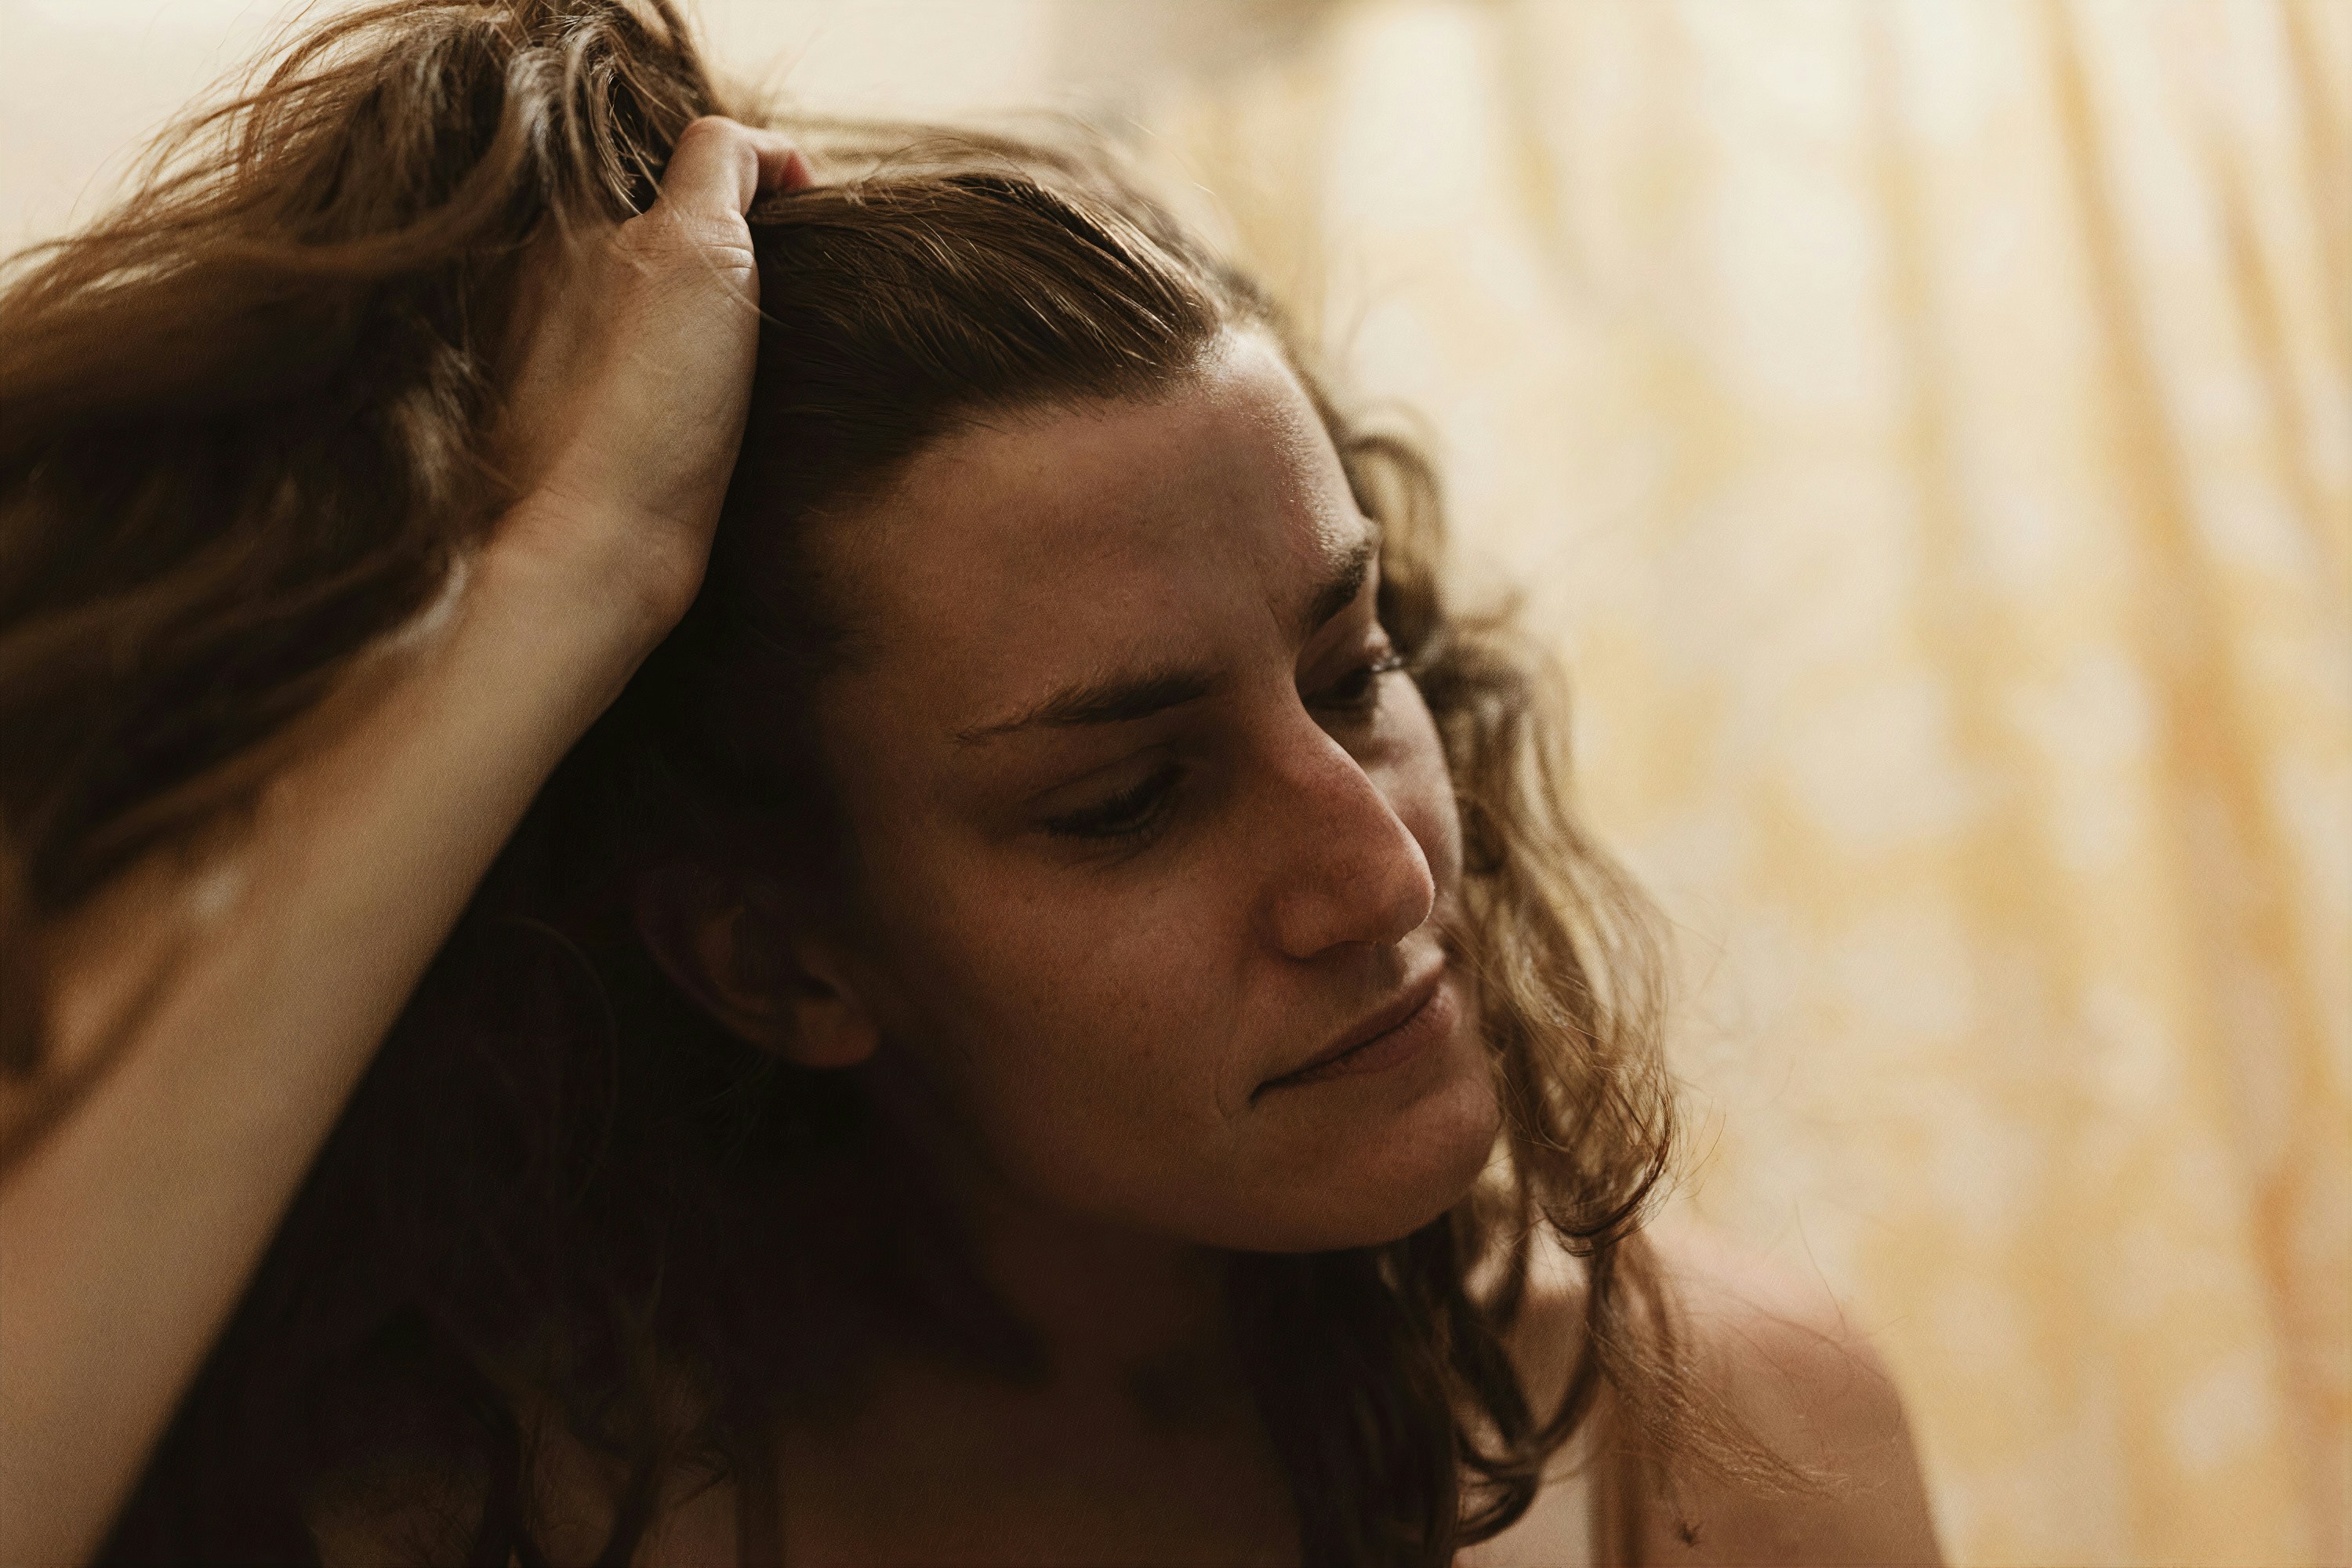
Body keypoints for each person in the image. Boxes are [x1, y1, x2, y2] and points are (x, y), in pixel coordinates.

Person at [0, 2, 1946, 1563]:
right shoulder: (486, 1510)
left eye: (1352, 675)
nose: (1377, 876)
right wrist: (561, 585)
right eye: (1127, 801)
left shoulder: (1722, 1445)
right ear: (779, 963)